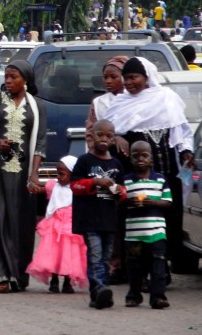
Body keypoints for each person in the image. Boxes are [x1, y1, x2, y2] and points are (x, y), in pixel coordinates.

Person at [103, 56, 194, 271]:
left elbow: (182, 131)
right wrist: (116, 136)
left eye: (133, 77)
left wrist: (186, 151)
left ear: (147, 77)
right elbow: (105, 133)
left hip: (167, 174)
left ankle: (161, 270)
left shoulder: (167, 99)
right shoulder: (120, 104)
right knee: (137, 219)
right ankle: (136, 270)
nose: (128, 83)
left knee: (167, 220)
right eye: (125, 78)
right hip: (135, 178)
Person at [0, 61, 46, 293]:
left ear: (25, 79)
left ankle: (19, 276)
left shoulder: (37, 106)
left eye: (13, 77)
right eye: (6, 76)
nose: (8, 81)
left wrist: (34, 175)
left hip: (23, 174)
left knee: (22, 225)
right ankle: (1, 275)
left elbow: (41, 143)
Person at [69, 119, 124, 309]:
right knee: (95, 255)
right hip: (90, 219)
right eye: (100, 134)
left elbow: (123, 190)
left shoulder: (116, 163)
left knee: (106, 257)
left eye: (109, 136)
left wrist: (118, 190)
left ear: (114, 139)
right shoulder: (84, 161)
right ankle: (99, 288)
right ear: (92, 136)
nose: (104, 139)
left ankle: (101, 294)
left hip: (109, 220)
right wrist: (94, 183)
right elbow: (74, 185)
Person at [121, 140, 173, 309]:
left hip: (156, 232)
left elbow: (168, 202)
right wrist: (129, 202)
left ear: (151, 158)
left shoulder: (160, 179)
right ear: (130, 159)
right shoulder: (126, 181)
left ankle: (158, 297)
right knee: (134, 265)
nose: (140, 159)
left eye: (144, 155)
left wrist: (155, 203)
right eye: (135, 156)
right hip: (134, 234)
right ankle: (134, 295)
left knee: (158, 265)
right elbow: (119, 202)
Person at [25, 155, 88, 294]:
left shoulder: (76, 188)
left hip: (71, 227)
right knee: (53, 253)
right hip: (54, 226)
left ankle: (67, 282)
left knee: (68, 254)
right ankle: (54, 280)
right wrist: (33, 187)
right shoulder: (53, 186)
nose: (58, 177)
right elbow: (40, 190)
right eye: (57, 173)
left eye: (62, 174)